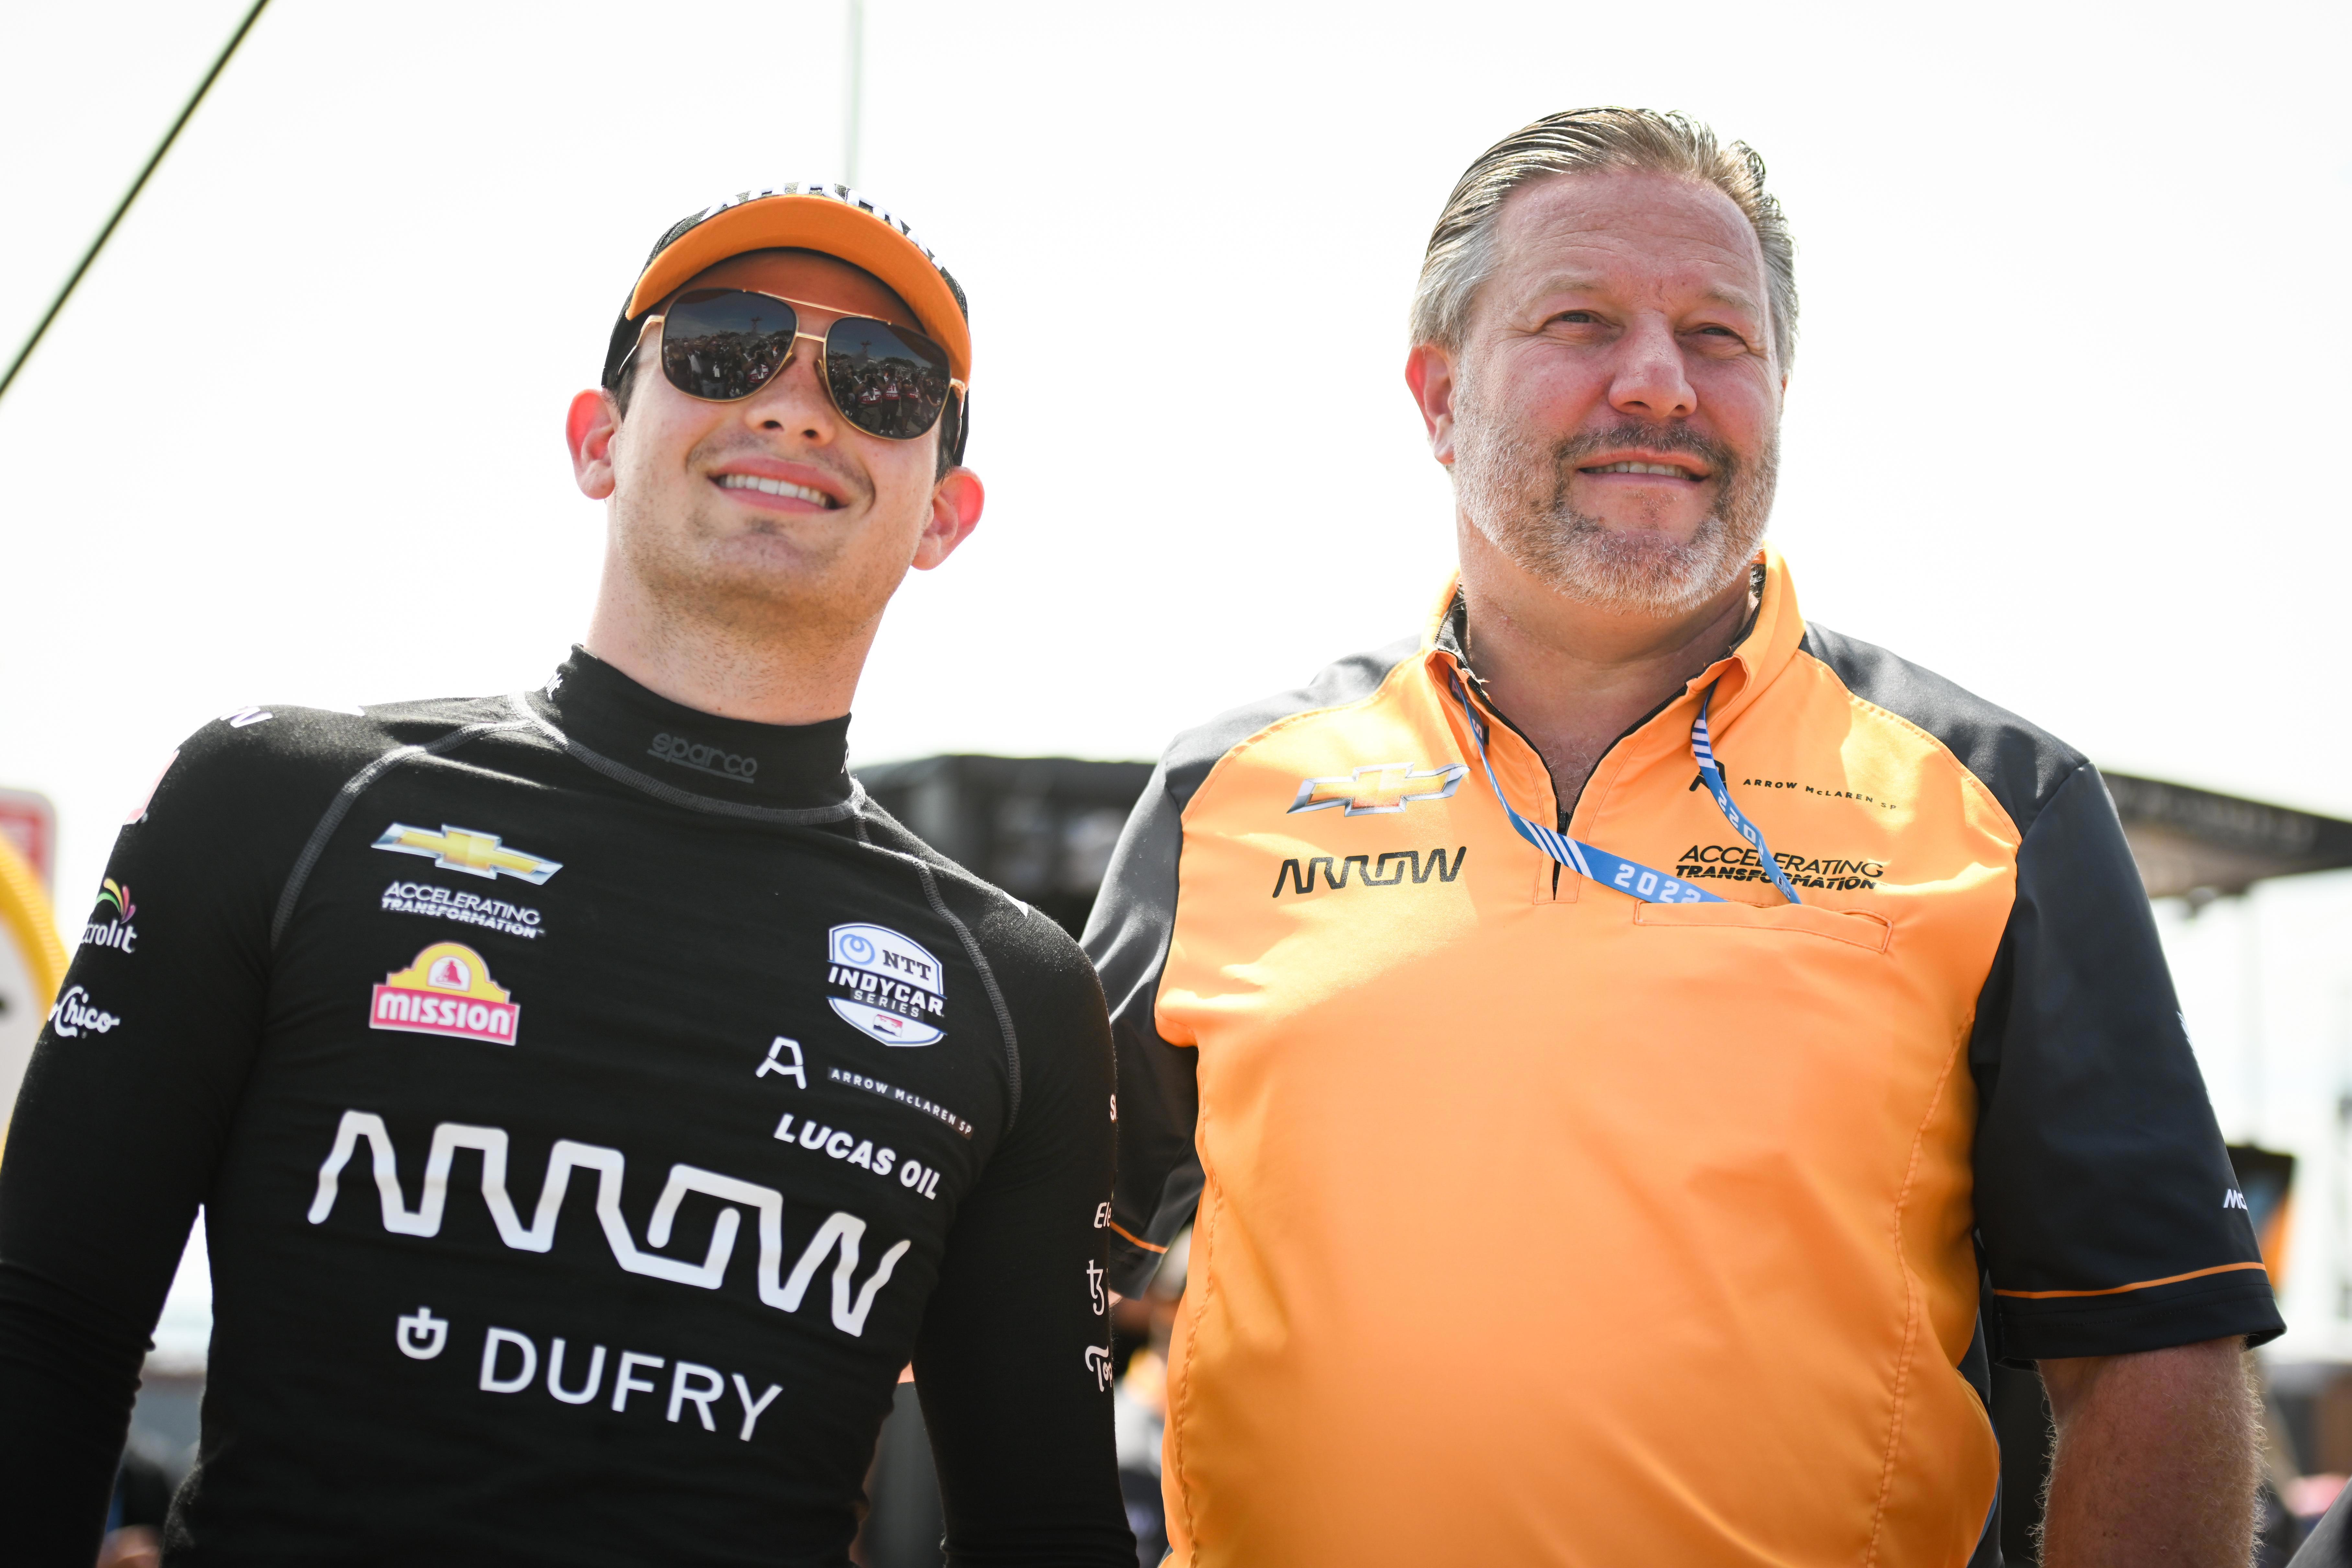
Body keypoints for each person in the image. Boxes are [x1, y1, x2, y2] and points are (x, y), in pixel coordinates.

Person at [1086, 109, 2282, 1567]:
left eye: (1718, 337)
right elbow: (1026, 1270)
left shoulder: (1996, 798)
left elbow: (2155, 1340)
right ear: (1439, 393)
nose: (1656, 382)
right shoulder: (1227, 792)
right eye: (1580, 320)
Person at [0, 181, 1133, 1565]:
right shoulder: (279, 802)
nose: (794, 405)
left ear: (945, 515)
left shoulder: (1013, 991)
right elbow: (42, 1326)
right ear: (597, 439)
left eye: (882, 383)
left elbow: (1048, 1529)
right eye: (722, 343)